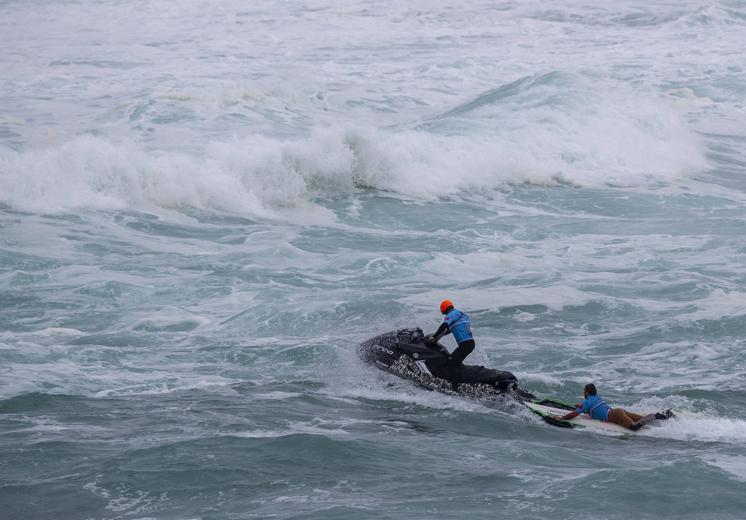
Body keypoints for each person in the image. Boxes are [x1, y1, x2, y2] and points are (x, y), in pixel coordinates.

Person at [557, 383, 673, 431]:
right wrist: (581, 406)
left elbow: (574, 414)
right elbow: (594, 408)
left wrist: (561, 418)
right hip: (618, 412)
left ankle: (657, 415)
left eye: (584, 391)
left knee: (634, 427)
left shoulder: (587, 402)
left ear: (587, 392)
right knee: (642, 420)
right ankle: (665, 415)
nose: (584, 393)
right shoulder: (596, 397)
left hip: (616, 415)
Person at [426, 299, 476, 364]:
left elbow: (444, 325)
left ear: (444, 310)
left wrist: (435, 336)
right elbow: (447, 331)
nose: (445, 315)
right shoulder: (462, 315)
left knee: (451, 362)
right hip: (470, 344)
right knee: (455, 360)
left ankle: (455, 374)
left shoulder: (451, 314)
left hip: (465, 344)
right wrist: (437, 338)